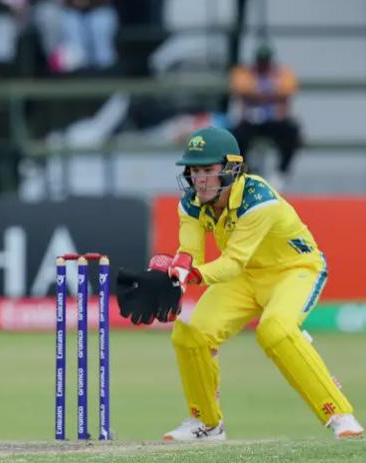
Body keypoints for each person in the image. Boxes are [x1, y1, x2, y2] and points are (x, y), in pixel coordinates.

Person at [117, 127, 363, 441]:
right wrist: (174, 275)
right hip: (245, 278)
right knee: (190, 331)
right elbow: (191, 255)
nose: (199, 179)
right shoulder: (191, 204)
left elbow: (232, 261)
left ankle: (340, 416)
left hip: (294, 270)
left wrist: (189, 274)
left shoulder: (258, 200)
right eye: (194, 171)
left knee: (275, 329)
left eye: (208, 170)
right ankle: (207, 423)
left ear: (231, 168)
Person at [230, 45, 301, 191]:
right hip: (251, 121)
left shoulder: (281, 74)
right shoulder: (245, 73)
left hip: (275, 121)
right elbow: (242, 89)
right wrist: (272, 95)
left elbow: (288, 90)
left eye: (265, 62)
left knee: (292, 133)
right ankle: (245, 175)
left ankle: (281, 173)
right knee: (236, 137)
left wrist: (258, 95)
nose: (263, 66)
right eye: (260, 62)